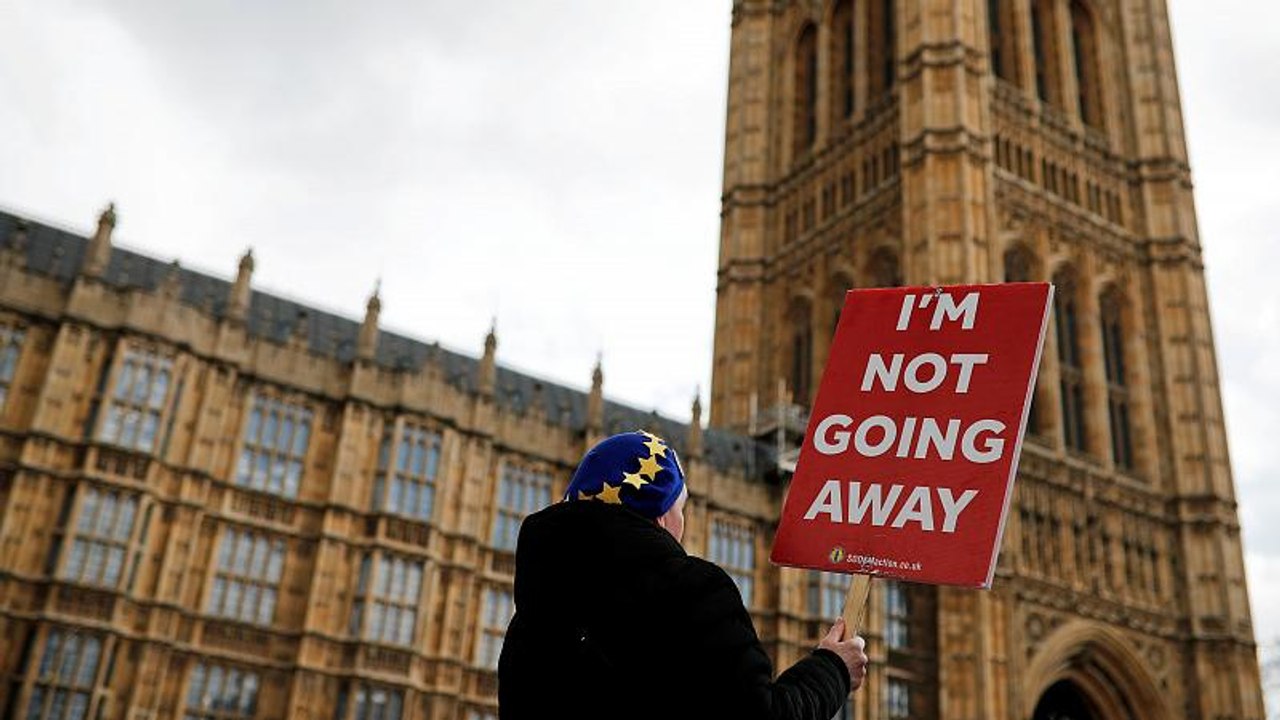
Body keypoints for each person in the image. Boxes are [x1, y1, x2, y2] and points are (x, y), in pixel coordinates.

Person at [498, 430, 868, 720]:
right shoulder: (691, 592)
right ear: (660, 514)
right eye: (682, 507)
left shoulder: (530, 625)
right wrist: (832, 669)